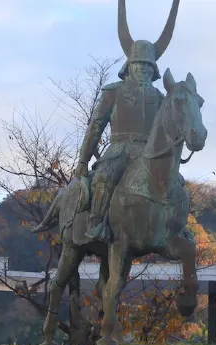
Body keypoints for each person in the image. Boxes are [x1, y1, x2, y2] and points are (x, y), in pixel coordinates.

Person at [76, 0, 180, 242]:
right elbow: (96, 126)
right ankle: (96, 224)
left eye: (147, 66)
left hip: (150, 154)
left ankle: (175, 228)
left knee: (176, 186)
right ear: (129, 67)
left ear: (154, 70)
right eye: (138, 64)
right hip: (119, 150)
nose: (143, 69)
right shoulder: (114, 91)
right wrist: (83, 159)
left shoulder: (161, 98)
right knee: (103, 179)